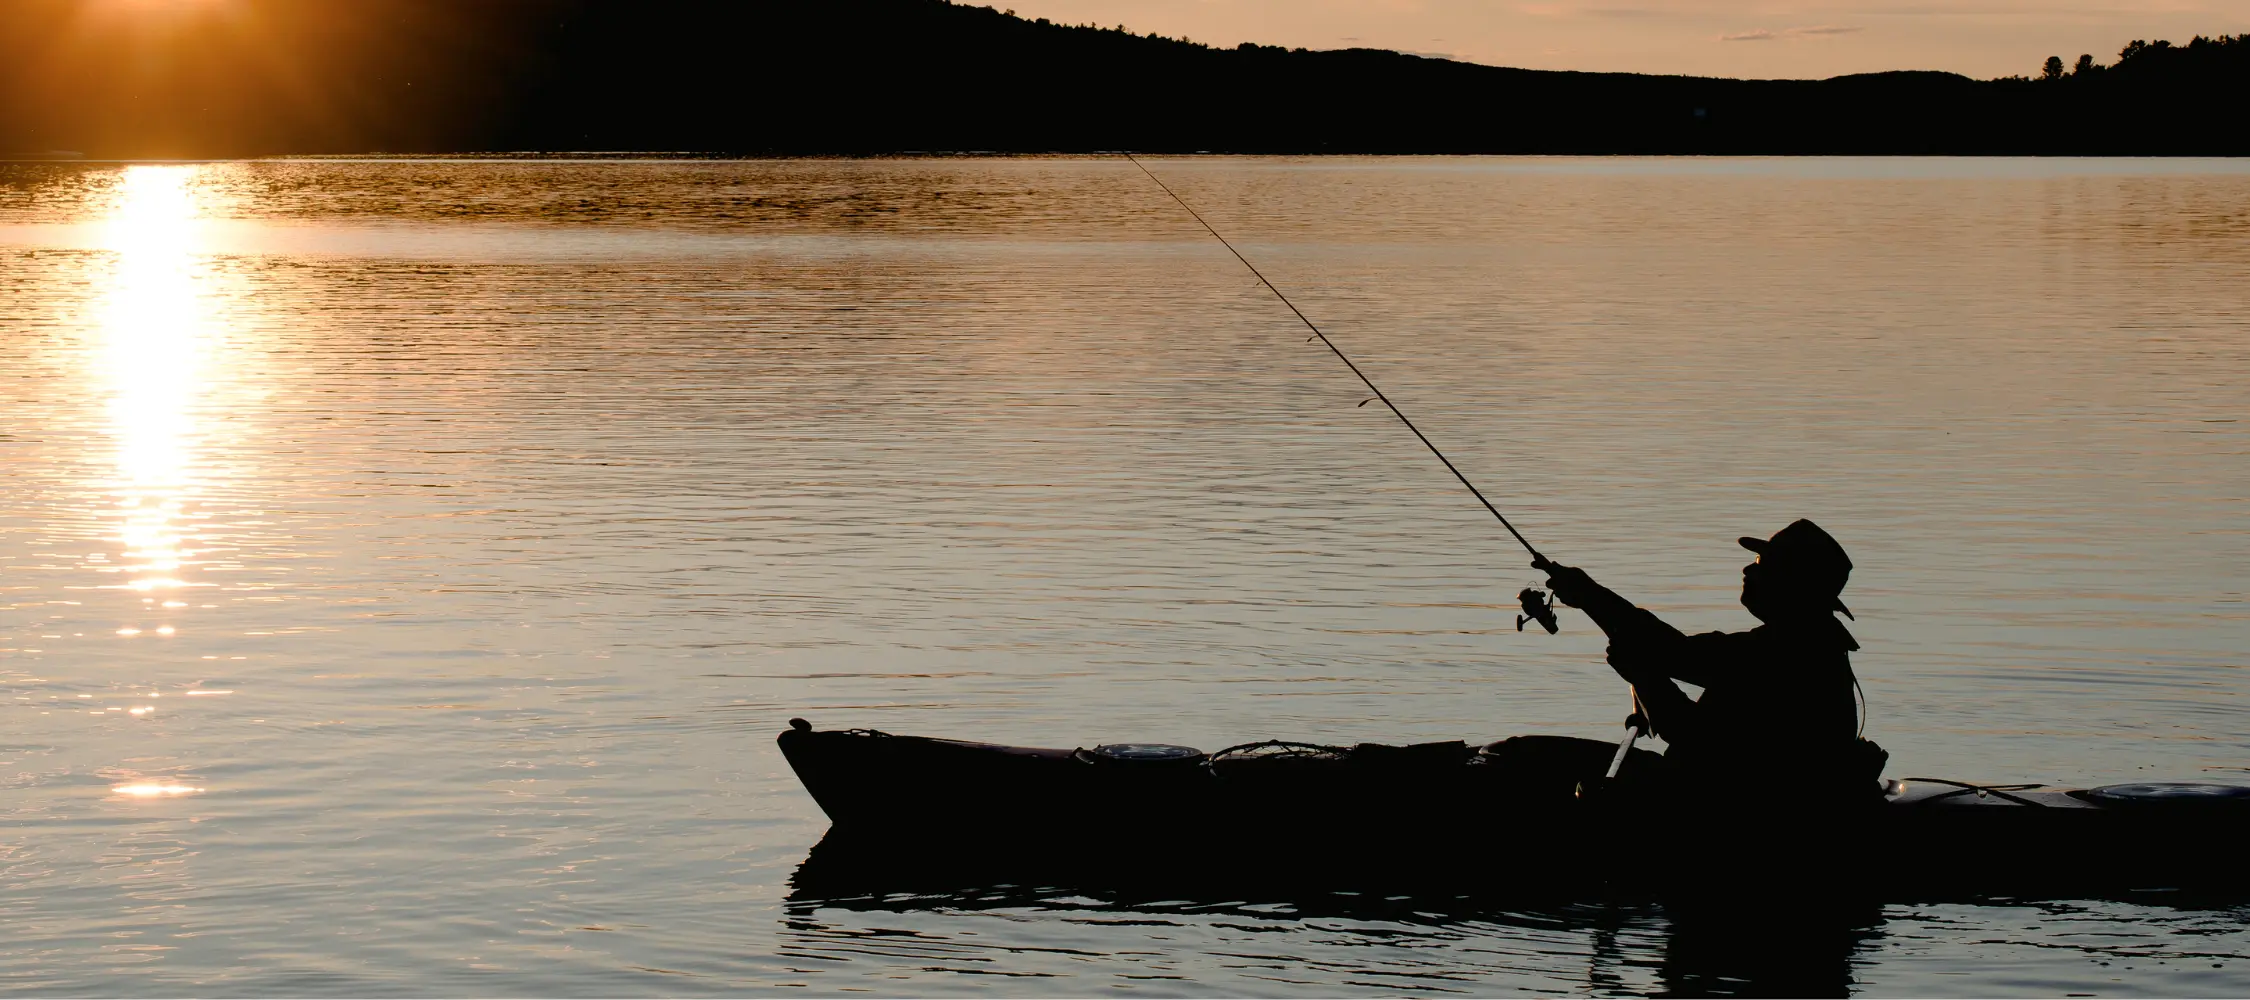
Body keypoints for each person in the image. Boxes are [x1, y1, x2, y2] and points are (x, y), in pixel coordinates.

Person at [1531, 518, 1883, 800]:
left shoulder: (1778, 652)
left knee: (1526, 759)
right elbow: (1672, 651)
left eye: (1761, 564)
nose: (1747, 570)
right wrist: (1590, 596)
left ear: (1790, 584)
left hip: (1739, 804)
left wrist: (1644, 676)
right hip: (1758, 790)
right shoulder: (1811, 645)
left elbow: (1693, 736)